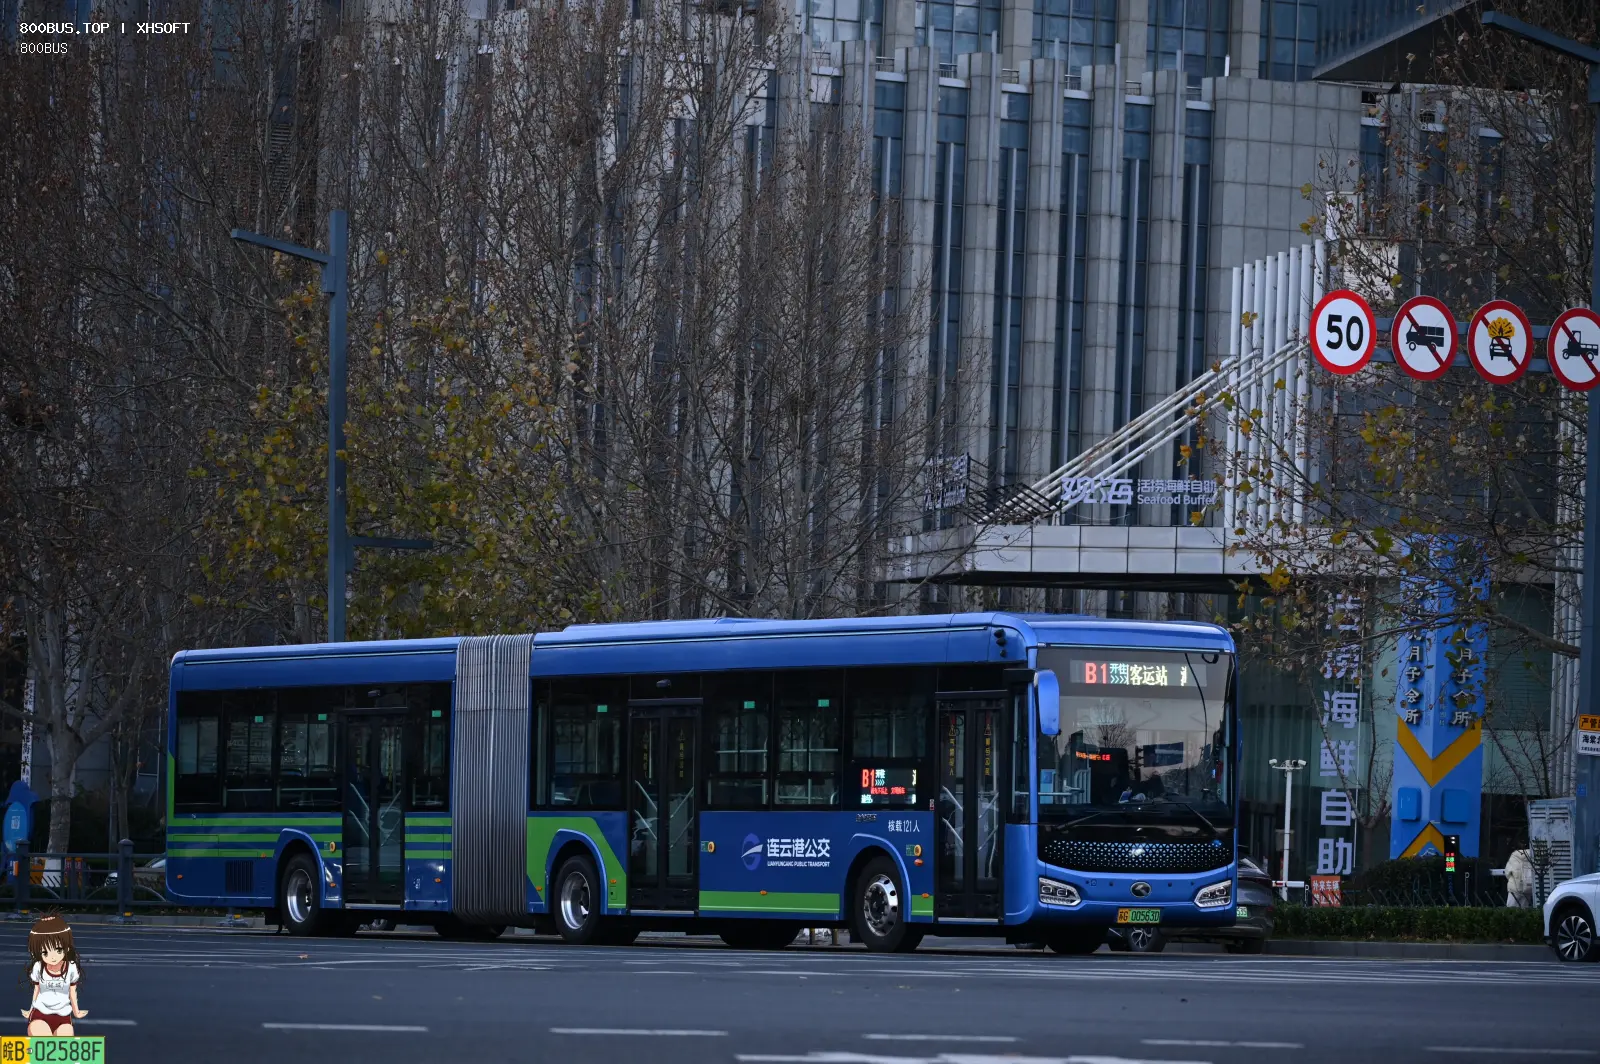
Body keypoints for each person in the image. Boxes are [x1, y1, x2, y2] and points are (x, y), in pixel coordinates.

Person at [21, 913, 86, 1036]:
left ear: (66, 948)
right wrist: (30, 1010)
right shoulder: (38, 967)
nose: (53, 957)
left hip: (64, 1016)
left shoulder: (71, 967)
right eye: (45, 952)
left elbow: (73, 991)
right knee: (43, 1043)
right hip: (40, 1013)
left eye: (58, 950)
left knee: (62, 1048)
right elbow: (37, 989)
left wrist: (76, 1012)